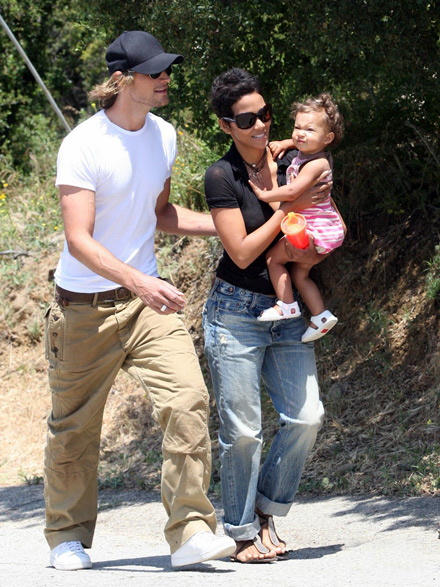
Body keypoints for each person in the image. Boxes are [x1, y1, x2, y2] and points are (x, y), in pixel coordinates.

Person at [43, 30, 235, 571]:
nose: (165, 79)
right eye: (154, 73)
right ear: (123, 81)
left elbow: (161, 214)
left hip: (146, 306)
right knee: (74, 426)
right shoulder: (84, 143)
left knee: (188, 401)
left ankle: (192, 530)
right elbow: (79, 238)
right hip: (83, 309)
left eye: (166, 70)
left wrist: (235, 228)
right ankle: (66, 535)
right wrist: (140, 282)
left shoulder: (164, 135)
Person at [202, 68, 326, 563]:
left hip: (287, 311)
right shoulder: (220, 176)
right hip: (235, 313)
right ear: (225, 125)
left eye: (264, 114)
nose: (259, 125)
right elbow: (243, 252)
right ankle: (241, 531)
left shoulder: (286, 157)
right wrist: (287, 205)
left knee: (307, 417)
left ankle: (267, 509)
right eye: (246, 118)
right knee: (244, 431)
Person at [250, 93, 346, 343]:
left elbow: (293, 191)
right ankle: (321, 315)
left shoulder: (317, 165)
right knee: (300, 275)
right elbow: (302, 143)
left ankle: (287, 305)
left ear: (327, 138)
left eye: (308, 129)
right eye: (297, 127)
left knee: (273, 259)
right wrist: (286, 142)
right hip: (324, 229)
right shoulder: (314, 154)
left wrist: (264, 194)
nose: (300, 134)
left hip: (314, 229)